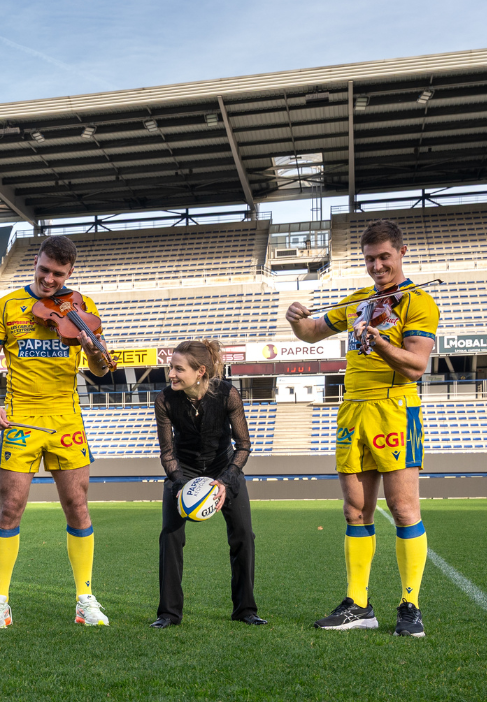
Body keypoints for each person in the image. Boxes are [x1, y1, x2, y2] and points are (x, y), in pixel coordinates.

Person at [286, 219, 438, 637]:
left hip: (394, 409)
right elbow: (312, 333)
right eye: (370, 259)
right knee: (355, 510)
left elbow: (416, 366)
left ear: (401, 253)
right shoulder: (357, 300)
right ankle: (358, 604)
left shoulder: (418, 302)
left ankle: (410, 605)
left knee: (405, 509)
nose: (376, 266)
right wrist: (296, 318)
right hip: (352, 411)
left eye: (384, 257)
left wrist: (380, 342)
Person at [0, 235, 112, 628]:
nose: (49, 280)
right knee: (10, 507)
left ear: (70, 272)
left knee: (78, 506)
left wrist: (91, 350)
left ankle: (85, 599)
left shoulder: (82, 307)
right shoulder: (7, 306)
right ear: (35, 262)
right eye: (44, 270)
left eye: (58, 274)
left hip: (66, 419)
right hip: (20, 418)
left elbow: (101, 370)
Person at [151, 340, 265, 629]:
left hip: (224, 467)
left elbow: (244, 445)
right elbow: (167, 453)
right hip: (183, 469)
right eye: (171, 368)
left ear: (200, 371)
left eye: (178, 369)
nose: (171, 375)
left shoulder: (228, 394)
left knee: (243, 536)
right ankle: (168, 614)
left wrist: (225, 481)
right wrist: (179, 486)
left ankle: (245, 610)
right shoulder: (164, 399)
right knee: (170, 537)